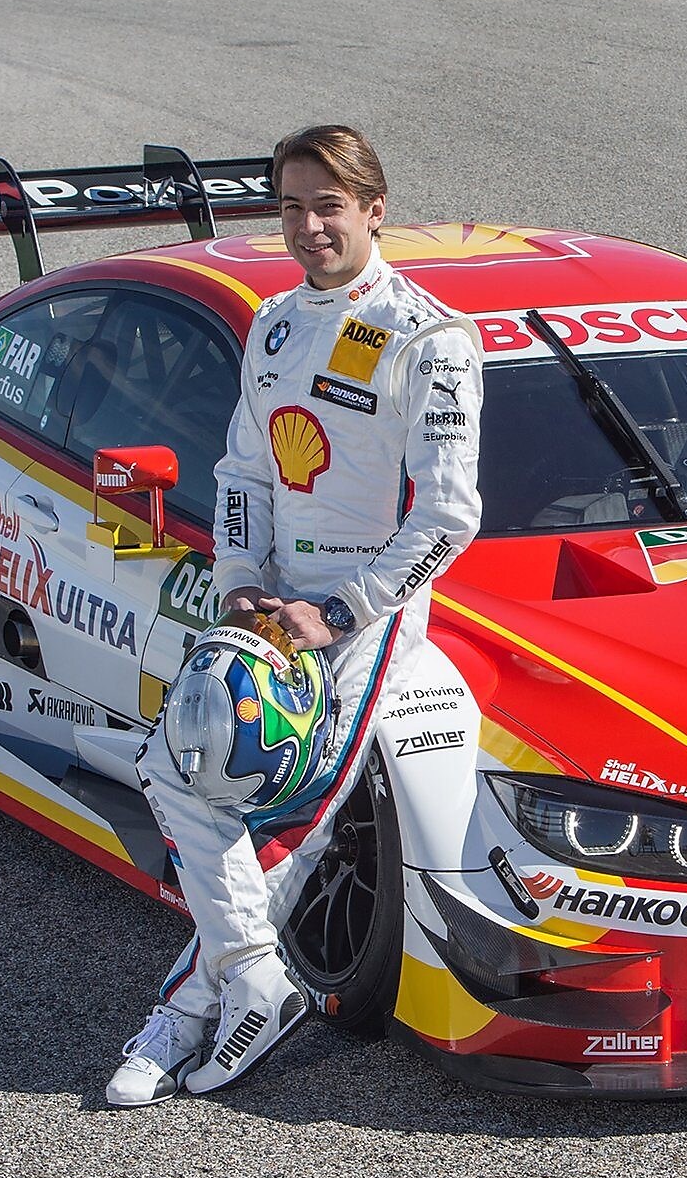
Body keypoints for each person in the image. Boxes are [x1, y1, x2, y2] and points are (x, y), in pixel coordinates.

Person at [106, 125, 484, 1106]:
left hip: (369, 615)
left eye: (327, 206)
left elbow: (449, 517)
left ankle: (181, 1013)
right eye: (289, 206)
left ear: (373, 210)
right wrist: (240, 580)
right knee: (170, 766)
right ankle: (254, 982)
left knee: (287, 823)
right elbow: (243, 471)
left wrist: (342, 610)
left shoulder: (431, 337)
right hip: (270, 602)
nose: (308, 225)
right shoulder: (272, 323)